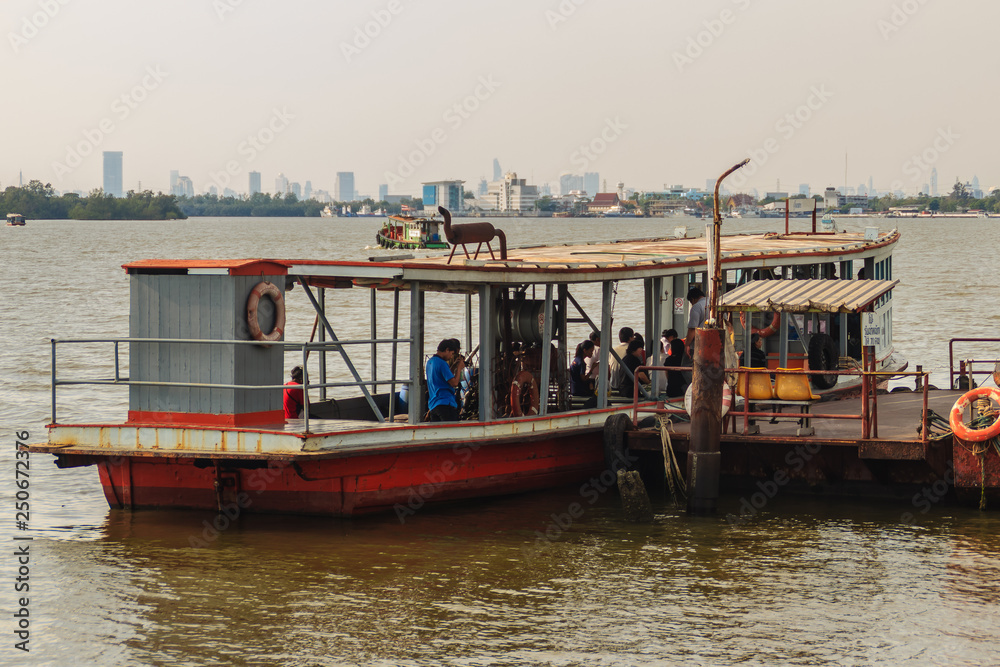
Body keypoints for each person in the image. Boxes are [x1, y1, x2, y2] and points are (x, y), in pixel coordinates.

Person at [426, 339, 465, 422]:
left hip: (433, 405)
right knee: (451, 432)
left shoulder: (430, 362)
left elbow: (443, 377)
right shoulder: (442, 363)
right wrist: (459, 368)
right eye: (452, 353)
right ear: (447, 350)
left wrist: (454, 366)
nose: (451, 357)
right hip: (445, 404)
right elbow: (454, 383)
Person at [608, 326, 634, 392]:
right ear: (630, 338)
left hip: (613, 384)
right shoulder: (632, 350)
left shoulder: (613, 350)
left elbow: (610, 367)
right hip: (625, 387)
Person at [684, 287, 707, 356]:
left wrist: (687, 345)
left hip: (698, 345)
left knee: (687, 365)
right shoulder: (715, 304)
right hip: (715, 344)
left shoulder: (697, 306)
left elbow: (692, 329)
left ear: (693, 299)